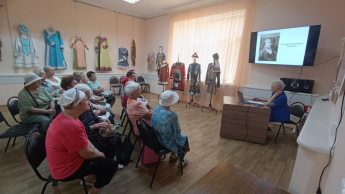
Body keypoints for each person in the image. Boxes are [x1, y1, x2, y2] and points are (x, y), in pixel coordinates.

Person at [46, 89, 117, 194]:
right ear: (77, 105)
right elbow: (86, 154)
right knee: (111, 166)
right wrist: (99, 154)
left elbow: (84, 138)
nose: (89, 101)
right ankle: (93, 191)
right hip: (65, 169)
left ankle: (88, 178)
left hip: (68, 158)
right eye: (85, 100)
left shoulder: (70, 116)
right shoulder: (70, 124)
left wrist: (96, 150)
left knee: (107, 145)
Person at [75, 85, 123, 169]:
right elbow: (79, 131)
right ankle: (108, 163)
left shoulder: (86, 104)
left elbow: (93, 117)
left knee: (116, 136)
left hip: (94, 130)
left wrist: (100, 120)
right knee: (113, 139)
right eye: (86, 94)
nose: (89, 96)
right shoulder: (76, 112)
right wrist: (96, 126)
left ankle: (110, 160)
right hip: (87, 136)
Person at [152, 90, 189, 167]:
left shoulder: (157, 108)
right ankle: (181, 161)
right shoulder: (172, 115)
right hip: (165, 141)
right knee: (184, 139)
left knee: (171, 134)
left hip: (156, 137)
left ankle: (173, 155)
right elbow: (177, 132)